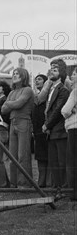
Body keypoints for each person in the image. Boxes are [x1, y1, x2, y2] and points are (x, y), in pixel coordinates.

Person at [1, 68, 34, 187]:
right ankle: (14, 183)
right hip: (12, 122)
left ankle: (24, 183)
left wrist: (9, 103)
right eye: (13, 73)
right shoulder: (12, 92)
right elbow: (3, 110)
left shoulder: (28, 90)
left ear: (23, 76)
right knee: (12, 156)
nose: (14, 76)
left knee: (23, 154)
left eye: (17, 74)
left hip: (24, 122)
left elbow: (18, 104)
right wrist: (12, 104)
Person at [42, 60, 70, 189]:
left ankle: (64, 188)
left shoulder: (63, 90)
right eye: (51, 68)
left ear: (61, 73)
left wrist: (47, 125)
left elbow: (58, 110)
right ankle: (57, 188)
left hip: (59, 131)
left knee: (62, 161)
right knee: (53, 162)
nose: (51, 70)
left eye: (55, 69)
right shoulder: (50, 89)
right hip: (52, 131)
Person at [61, 68, 77, 200]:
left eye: (74, 74)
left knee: (72, 160)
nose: (72, 76)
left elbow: (65, 111)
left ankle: (74, 192)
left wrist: (71, 111)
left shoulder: (75, 92)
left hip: (74, 127)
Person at [32, 74, 49, 187]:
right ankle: (41, 181)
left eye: (39, 79)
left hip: (45, 128)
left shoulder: (46, 96)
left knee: (45, 156)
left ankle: (45, 182)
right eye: (35, 79)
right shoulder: (35, 96)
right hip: (37, 130)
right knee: (39, 156)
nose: (37, 81)